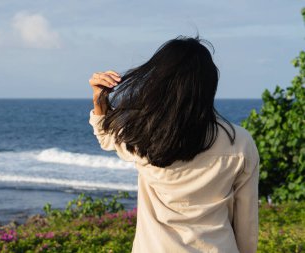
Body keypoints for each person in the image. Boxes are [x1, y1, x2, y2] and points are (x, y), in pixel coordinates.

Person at [88, 36, 259, 253]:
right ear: (208, 84)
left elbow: (105, 136)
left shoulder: (143, 135)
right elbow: (247, 223)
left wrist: (99, 99)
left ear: (159, 82)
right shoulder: (240, 143)